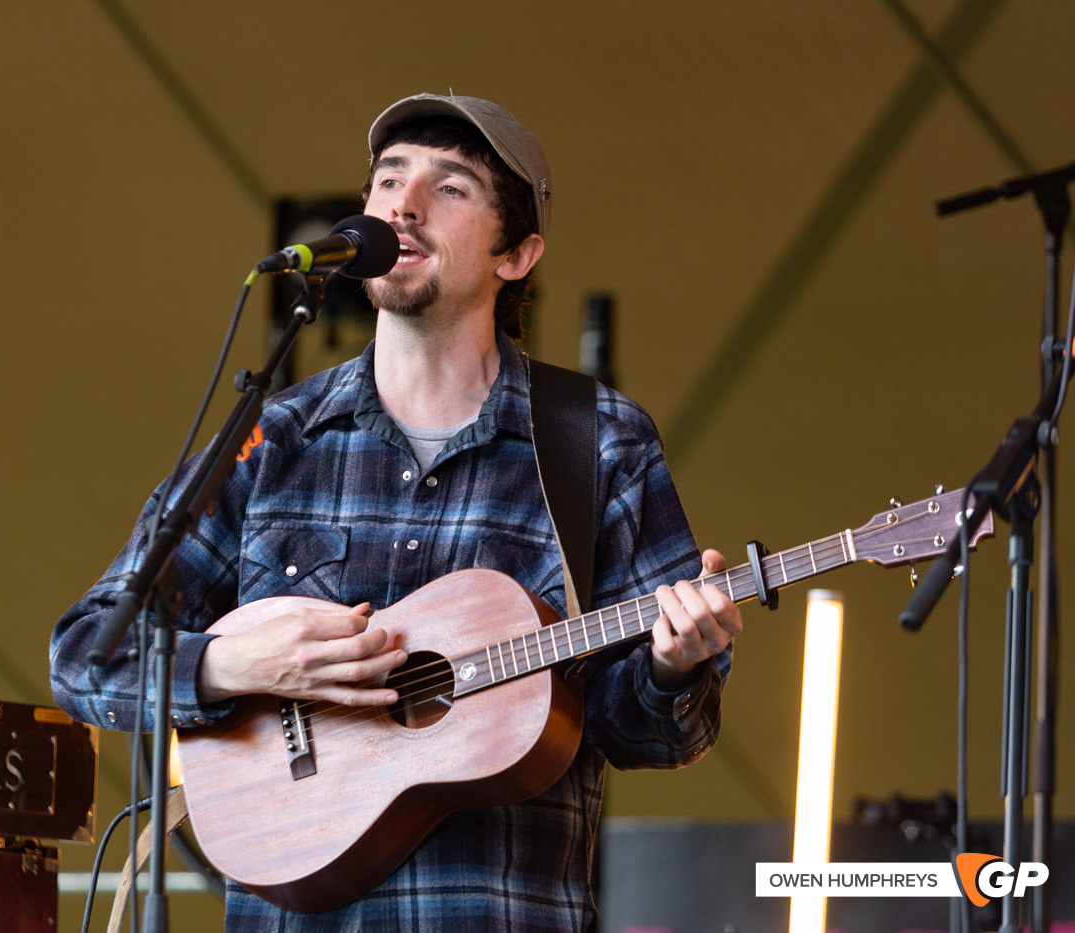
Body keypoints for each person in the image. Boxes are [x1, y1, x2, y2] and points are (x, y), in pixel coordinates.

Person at [50, 92, 743, 931]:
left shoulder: (597, 443)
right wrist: (239, 666)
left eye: (450, 188)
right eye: (387, 181)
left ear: (518, 254)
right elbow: (86, 654)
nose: (403, 206)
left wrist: (675, 664)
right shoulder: (271, 439)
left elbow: (652, 736)